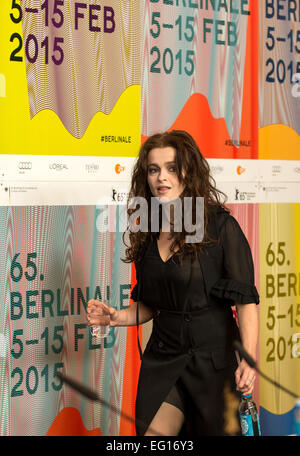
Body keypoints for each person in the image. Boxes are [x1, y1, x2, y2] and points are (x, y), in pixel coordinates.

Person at [86, 130, 259, 436]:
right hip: (165, 361)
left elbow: (245, 303)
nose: (161, 177)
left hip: (213, 366)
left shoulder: (220, 227)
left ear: (188, 171)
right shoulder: (148, 232)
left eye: (171, 167)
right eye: (153, 169)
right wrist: (117, 317)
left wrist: (248, 358)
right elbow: (153, 304)